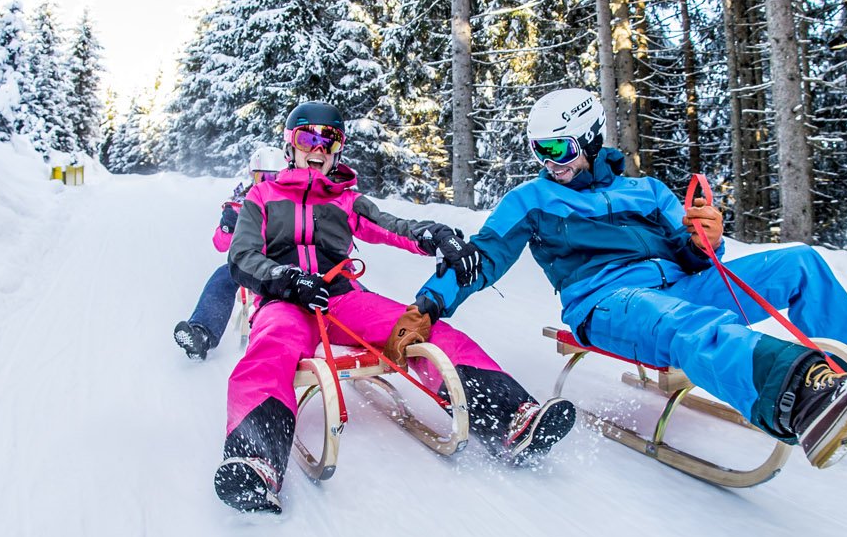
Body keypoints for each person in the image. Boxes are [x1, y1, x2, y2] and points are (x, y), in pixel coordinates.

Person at [389, 88, 847, 471]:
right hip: (607, 300)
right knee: (681, 321)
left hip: (680, 284)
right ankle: (801, 400)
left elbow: (694, 260)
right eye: (540, 152)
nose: (549, 164)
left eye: (558, 150)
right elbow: (481, 257)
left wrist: (706, 242)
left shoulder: (648, 192)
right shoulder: (532, 199)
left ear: (591, 139)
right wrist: (428, 305)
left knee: (800, 265)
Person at [214, 101, 576, 514]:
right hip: (286, 298)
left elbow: (393, 226)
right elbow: (241, 258)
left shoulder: (346, 201)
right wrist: (286, 279)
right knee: (271, 346)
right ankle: (255, 459)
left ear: (338, 149)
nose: (318, 147)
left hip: (342, 298)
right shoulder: (262, 195)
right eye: (308, 137)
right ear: (290, 144)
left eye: (329, 139)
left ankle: (512, 415)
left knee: (421, 329)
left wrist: (435, 235)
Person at [173, 146, 287, 360]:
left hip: (285, 264)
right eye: (263, 177)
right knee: (223, 276)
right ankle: (202, 333)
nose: (269, 183)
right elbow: (220, 244)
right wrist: (227, 226)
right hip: (251, 264)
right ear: (254, 176)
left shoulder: (291, 202)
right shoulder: (242, 203)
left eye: (275, 177)